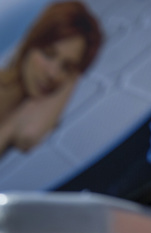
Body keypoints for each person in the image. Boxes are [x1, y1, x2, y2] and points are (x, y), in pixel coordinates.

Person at [0, 2, 103, 157]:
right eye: (48, 54)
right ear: (31, 44)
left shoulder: (33, 104)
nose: (53, 74)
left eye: (67, 67)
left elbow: (28, 134)